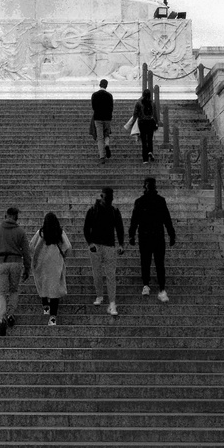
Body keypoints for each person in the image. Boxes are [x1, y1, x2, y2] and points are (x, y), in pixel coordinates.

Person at [0, 205, 32, 337]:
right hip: (16, 263)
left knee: (1, 292)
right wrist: (27, 268)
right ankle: (10, 314)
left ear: (5, 216)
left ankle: (2, 317)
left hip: (0, 264)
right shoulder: (20, 232)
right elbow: (27, 253)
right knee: (13, 290)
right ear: (16, 218)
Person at [127, 176, 176, 302]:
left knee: (154, 262)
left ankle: (156, 286)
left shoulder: (154, 201)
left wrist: (171, 234)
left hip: (152, 235)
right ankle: (150, 285)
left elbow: (166, 218)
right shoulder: (144, 201)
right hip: (150, 235)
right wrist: (131, 234)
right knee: (148, 261)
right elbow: (135, 220)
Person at [83, 187, 124, 317]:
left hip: (109, 246)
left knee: (110, 275)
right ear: (102, 197)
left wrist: (121, 244)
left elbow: (120, 228)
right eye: (107, 198)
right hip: (97, 245)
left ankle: (112, 302)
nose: (108, 201)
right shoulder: (93, 210)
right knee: (97, 273)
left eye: (110, 199)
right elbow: (86, 228)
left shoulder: (114, 211)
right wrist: (90, 243)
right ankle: (100, 295)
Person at [29, 212, 71, 327]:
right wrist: (63, 256)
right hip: (55, 264)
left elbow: (31, 245)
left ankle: (45, 307)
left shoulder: (40, 233)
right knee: (54, 289)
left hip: (42, 263)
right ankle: (53, 318)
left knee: (43, 284)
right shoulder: (60, 233)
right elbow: (68, 247)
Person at [124, 89, 158, 163]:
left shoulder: (138, 103)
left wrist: (132, 123)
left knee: (143, 140)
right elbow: (155, 114)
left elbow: (135, 114)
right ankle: (150, 151)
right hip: (150, 122)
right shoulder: (152, 103)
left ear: (142, 95)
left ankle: (145, 159)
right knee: (149, 138)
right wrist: (156, 122)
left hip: (142, 122)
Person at [90, 78, 113, 163]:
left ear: (100, 85)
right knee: (107, 134)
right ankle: (107, 144)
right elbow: (111, 107)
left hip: (98, 118)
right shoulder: (109, 95)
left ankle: (102, 156)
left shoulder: (94, 95)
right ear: (106, 86)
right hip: (107, 118)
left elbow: (93, 107)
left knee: (100, 137)